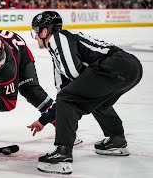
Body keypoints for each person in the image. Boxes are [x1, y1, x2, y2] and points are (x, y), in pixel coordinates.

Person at [28, 11, 143, 174]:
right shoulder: (59, 50)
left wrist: (74, 100)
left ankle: (63, 153)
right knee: (96, 100)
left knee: (70, 98)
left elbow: (73, 83)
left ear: (45, 31)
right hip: (131, 68)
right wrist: (44, 120)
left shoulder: (58, 38)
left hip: (117, 64)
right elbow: (71, 89)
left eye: (36, 31)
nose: (35, 37)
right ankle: (116, 139)